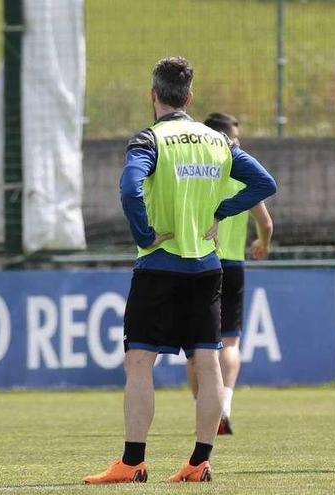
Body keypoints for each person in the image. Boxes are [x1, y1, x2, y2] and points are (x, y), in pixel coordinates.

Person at [83, 56, 276, 484]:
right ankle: (199, 461)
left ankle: (133, 463)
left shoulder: (149, 141)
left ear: (153, 95)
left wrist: (144, 233)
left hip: (160, 264)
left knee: (139, 362)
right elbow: (265, 183)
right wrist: (222, 210)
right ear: (189, 96)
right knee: (207, 362)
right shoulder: (218, 141)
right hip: (206, 267)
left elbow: (130, 188)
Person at [185, 112, 273, 435]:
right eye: (234, 137)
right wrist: (262, 244)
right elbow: (266, 223)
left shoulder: (197, 170)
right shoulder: (241, 170)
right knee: (230, 342)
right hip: (234, 264)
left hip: (200, 260)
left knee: (196, 349)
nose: (237, 143)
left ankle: (205, 410)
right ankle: (224, 405)